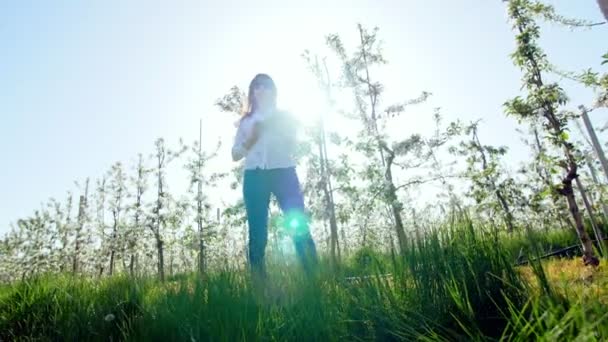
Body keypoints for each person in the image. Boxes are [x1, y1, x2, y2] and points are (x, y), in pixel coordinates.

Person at [231, 73, 318, 281]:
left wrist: (278, 131)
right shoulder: (245, 122)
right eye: (256, 87)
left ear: (273, 91)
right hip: (254, 177)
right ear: (252, 92)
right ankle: (260, 285)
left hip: (284, 173)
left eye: (266, 86)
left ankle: (315, 279)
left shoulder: (284, 116)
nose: (261, 90)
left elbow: (294, 146)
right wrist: (250, 141)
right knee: (258, 233)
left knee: (297, 223)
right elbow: (234, 154)